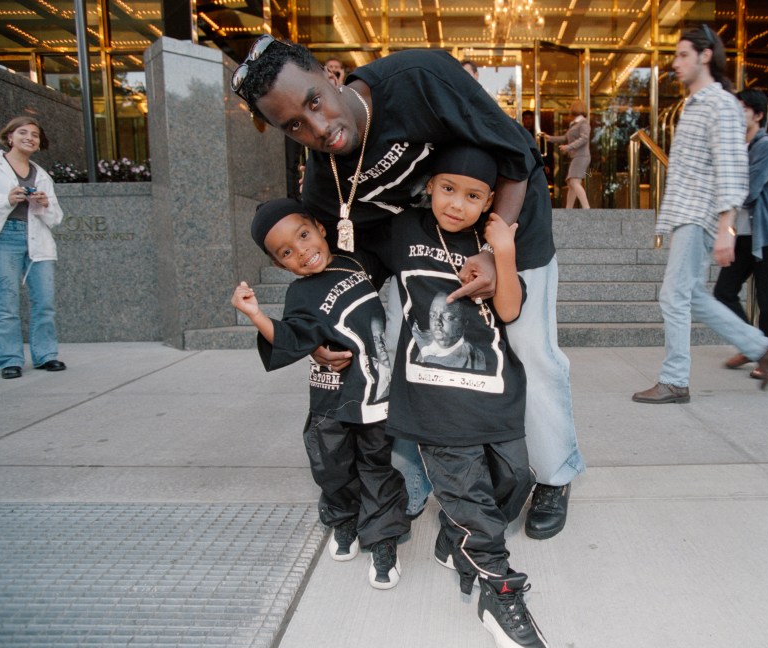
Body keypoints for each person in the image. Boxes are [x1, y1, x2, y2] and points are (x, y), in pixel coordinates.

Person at [230, 37, 583, 540]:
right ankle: (413, 477)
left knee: (529, 349)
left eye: (313, 102)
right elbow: (357, 260)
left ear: (331, 77)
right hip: (421, 252)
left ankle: (554, 474)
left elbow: (516, 153)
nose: (317, 127)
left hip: (506, 224)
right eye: (294, 125)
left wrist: (491, 249)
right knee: (396, 350)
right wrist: (327, 338)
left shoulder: (417, 80)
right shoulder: (323, 185)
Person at [374, 145, 549, 648]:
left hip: (495, 390)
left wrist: (503, 250)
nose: (457, 203)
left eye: (472, 195)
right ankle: (499, 592)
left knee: (515, 477)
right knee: (467, 492)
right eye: (447, 188)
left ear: (490, 200)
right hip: (432, 396)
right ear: (429, 186)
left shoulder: (491, 238)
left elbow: (511, 310)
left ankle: (456, 540)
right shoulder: (403, 230)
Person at [230, 198, 410, 590]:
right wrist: (256, 316)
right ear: (279, 265)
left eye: (305, 235)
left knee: (378, 470)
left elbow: (392, 248)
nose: (303, 252)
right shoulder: (301, 294)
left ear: (321, 228)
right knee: (333, 469)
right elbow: (292, 336)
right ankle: (343, 521)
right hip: (332, 401)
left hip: (375, 398)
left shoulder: (356, 262)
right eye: (287, 252)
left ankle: (382, 541)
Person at [631, 25, 768, 405]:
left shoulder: (721, 104)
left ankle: (675, 380)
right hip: (687, 214)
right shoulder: (697, 104)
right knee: (690, 295)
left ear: (704, 56)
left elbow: (732, 169)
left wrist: (726, 229)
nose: (675, 63)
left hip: (700, 215)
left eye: (683, 55)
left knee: (672, 295)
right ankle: (762, 346)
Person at [714, 89, 768, 379]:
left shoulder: (767, 146)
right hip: (744, 233)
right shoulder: (737, 148)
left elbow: (749, 190)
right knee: (724, 292)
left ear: (758, 115)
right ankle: (753, 344)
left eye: (742, 108)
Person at [0, 115, 65, 379]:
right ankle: (10, 359)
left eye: (35, 135)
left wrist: (43, 203)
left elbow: (56, 219)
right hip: (3, 239)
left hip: (37, 239)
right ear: (9, 137)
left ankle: (46, 355)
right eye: (23, 133)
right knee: (7, 301)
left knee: (45, 302)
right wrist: (6, 199)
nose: (29, 138)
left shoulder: (41, 175)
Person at [412, 295, 487, 369]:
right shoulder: (418, 339)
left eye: (449, 317)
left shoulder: (475, 359)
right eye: (433, 316)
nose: (437, 322)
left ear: (464, 322)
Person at [542, 99, 591, 209]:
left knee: (573, 181)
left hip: (581, 156)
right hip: (577, 156)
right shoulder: (575, 124)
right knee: (572, 182)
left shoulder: (583, 123)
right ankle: (569, 209)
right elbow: (565, 138)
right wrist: (550, 138)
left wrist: (569, 147)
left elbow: (584, 138)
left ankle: (586, 208)